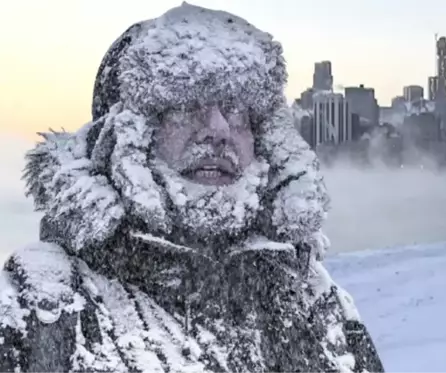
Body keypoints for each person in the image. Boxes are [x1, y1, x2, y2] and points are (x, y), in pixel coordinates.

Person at [0, 3, 385, 372]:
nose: (218, 130)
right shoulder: (40, 305)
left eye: (237, 109)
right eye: (185, 105)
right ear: (124, 137)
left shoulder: (313, 296)